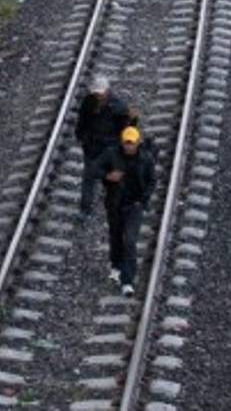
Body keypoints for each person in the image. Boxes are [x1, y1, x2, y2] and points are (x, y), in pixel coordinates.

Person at [92, 125, 156, 297]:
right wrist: (107, 175)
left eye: (132, 143)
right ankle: (116, 266)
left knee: (129, 240)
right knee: (115, 235)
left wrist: (142, 201)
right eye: (126, 142)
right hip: (115, 204)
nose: (128, 146)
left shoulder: (146, 158)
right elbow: (94, 168)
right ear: (122, 141)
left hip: (134, 206)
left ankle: (127, 281)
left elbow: (152, 181)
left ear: (137, 142)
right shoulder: (111, 154)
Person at [75, 74, 134, 219]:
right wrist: (81, 136)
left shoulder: (118, 107)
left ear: (107, 91)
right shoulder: (88, 104)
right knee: (88, 178)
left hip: (110, 150)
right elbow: (82, 121)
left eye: (100, 93)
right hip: (91, 148)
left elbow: (126, 129)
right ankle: (85, 210)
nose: (98, 97)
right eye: (95, 93)